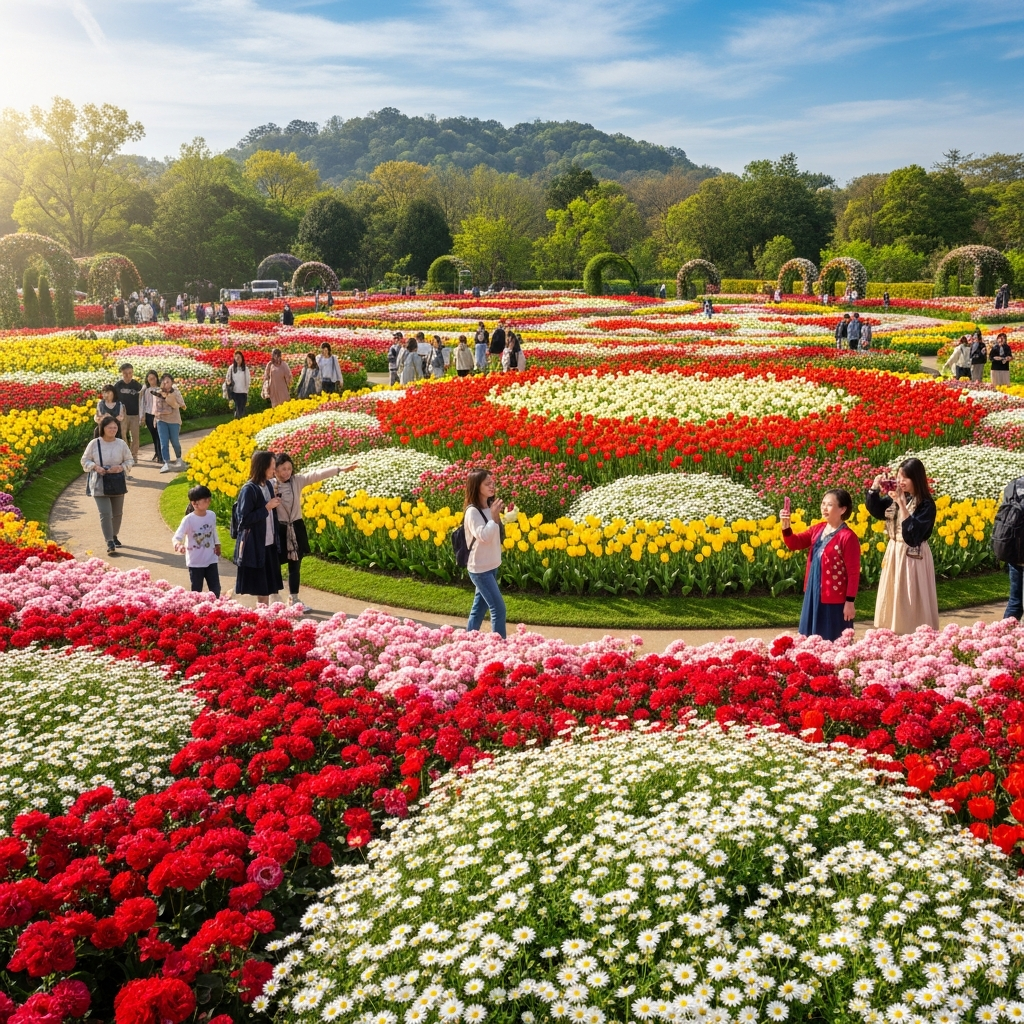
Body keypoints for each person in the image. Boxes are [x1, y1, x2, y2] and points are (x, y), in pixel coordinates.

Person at [866, 458, 939, 634]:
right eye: (898, 476)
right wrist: (874, 489)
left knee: (911, 594)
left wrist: (901, 505)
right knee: (893, 593)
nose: (900, 481)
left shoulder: (926, 505)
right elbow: (877, 511)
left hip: (913, 555)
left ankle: (915, 631)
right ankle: (893, 630)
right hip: (894, 551)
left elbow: (913, 535)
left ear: (916, 479)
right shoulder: (898, 496)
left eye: (905, 477)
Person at [273, 453, 354, 609]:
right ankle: (274, 599)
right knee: (275, 564)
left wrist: (340, 469)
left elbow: (316, 475)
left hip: (296, 528)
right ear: (275, 470)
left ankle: (294, 599)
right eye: (283, 469)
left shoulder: (297, 481)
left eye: (289, 468)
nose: (287, 472)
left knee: (295, 565)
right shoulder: (270, 485)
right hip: (278, 529)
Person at [780, 489, 860, 642]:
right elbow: (794, 543)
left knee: (832, 639)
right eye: (823, 504)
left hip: (834, 599)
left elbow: (854, 573)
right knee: (810, 639)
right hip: (813, 593)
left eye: (829, 505)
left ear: (842, 509)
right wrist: (785, 526)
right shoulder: (818, 529)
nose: (824, 508)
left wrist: (850, 602)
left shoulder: (848, 537)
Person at [234, 450, 283, 606]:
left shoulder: (268, 484)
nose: (274, 470)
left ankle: (264, 619)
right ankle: (261, 621)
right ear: (263, 467)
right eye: (272, 466)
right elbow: (243, 520)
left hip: (269, 543)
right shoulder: (249, 489)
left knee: (268, 588)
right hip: (256, 545)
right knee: (261, 590)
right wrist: (267, 507)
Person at [463, 468, 508, 639]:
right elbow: (484, 537)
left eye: (492, 482)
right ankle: (500, 646)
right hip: (480, 568)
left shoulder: (490, 506)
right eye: (487, 483)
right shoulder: (472, 512)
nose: (492, 485)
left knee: (479, 608)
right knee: (498, 608)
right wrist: (494, 518)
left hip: (492, 565)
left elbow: (496, 535)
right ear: (476, 486)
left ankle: (468, 640)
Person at [82, 416, 133, 556]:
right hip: (99, 482)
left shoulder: (121, 444)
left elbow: (129, 460)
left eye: (115, 428)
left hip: (117, 481)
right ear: (102, 428)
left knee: (117, 513)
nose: (113, 430)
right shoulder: (94, 443)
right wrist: (95, 467)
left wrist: (121, 467)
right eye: (110, 427)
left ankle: (114, 535)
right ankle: (109, 541)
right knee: (105, 513)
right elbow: (84, 460)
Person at [173, 484, 221, 597]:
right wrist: (178, 545)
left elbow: (213, 531)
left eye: (209, 498)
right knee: (196, 592)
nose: (208, 501)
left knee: (215, 590)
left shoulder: (211, 515)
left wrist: (217, 544)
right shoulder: (188, 520)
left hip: (211, 559)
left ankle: (215, 610)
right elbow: (177, 537)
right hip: (195, 562)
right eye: (205, 499)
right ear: (194, 503)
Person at [151, 373, 187, 473]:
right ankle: (166, 463)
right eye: (164, 381)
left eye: (168, 382)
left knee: (175, 441)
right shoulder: (157, 393)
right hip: (161, 420)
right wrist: (155, 418)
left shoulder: (175, 392)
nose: (166, 383)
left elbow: (182, 404)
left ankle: (179, 460)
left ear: (172, 383)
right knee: (163, 442)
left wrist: (171, 400)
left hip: (174, 420)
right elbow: (155, 408)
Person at [113, 363, 143, 461]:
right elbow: (113, 399)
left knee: (135, 436)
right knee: (123, 435)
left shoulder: (137, 385)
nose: (128, 375)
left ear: (132, 372)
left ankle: (134, 455)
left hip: (135, 414)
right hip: (123, 415)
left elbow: (143, 398)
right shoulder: (118, 385)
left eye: (130, 373)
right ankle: (126, 455)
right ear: (122, 373)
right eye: (125, 373)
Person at [141, 370, 162, 461]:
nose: (152, 380)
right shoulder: (146, 391)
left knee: (159, 435)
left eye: (153, 378)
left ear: (157, 378)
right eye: (150, 379)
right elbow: (144, 404)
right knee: (154, 435)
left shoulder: (160, 389)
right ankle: (157, 453)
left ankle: (160, 455)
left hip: (158, 415)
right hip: (149, 415)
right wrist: (143, 416)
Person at [225, 351, 251, 418]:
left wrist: (247, 390)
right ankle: (237, 421)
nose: (237, 359)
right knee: (237, 409)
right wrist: (228, 382)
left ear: (242, 358)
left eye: (239, 357)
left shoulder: (245, 369)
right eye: (236, 357)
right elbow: (227, 378)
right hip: (234, 392)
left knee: (242, 409)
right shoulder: (231, 368)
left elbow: (248, 380)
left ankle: (239, 422)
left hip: (243, 392)